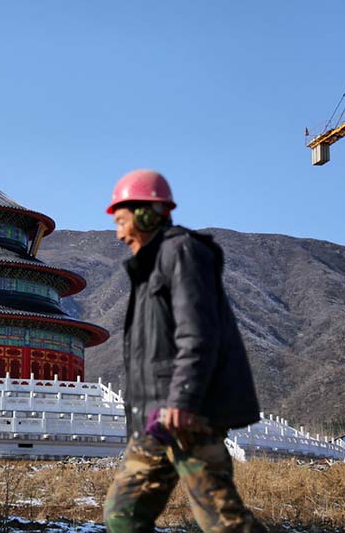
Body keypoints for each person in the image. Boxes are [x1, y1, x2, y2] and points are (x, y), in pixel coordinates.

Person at [103, 169, 265, 532]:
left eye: (122, 221)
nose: (119, 234)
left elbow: (198, 333)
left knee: (223, 522)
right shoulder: (147, 269)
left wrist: (182, 400)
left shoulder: (182, 253)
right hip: (155, 421)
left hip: (187, 415)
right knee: (122, 515)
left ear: (147, 214)